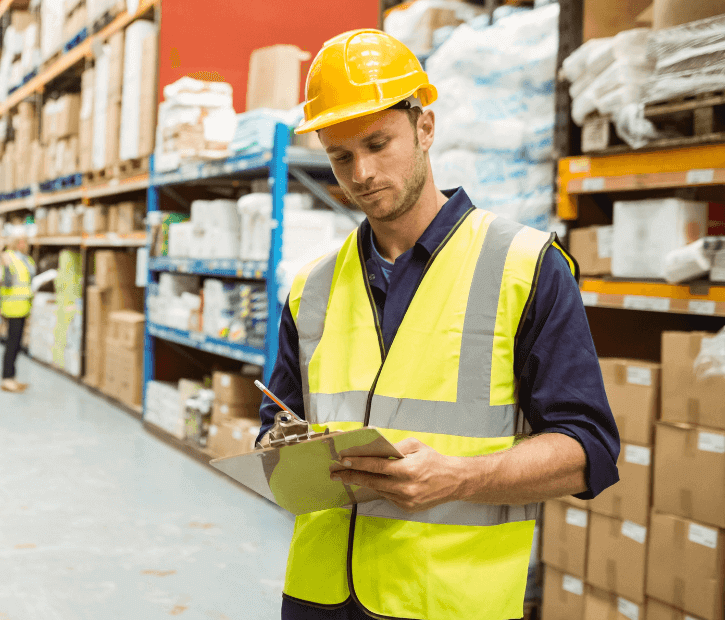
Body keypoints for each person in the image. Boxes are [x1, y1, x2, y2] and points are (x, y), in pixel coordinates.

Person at [260, 30, 620, 620]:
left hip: (446, 602)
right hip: (318, 597)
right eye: (340, 156)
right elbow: (279, 417)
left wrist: (459, 478)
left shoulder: (525, 269)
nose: (363, 173)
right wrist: (279, 446)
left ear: (425, 127)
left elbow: (589, 449)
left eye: (379, 143)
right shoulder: (312, 287)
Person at [0, 236, 35, 393]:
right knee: (12, 344)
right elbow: (6, 281)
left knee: (17, 344)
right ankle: (7, 379)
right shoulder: (9, 257)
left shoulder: (26, 260)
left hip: (23, 306)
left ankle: (12, 378)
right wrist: (5, 265)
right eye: (23, 242)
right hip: (13, 306)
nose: (25, 245)